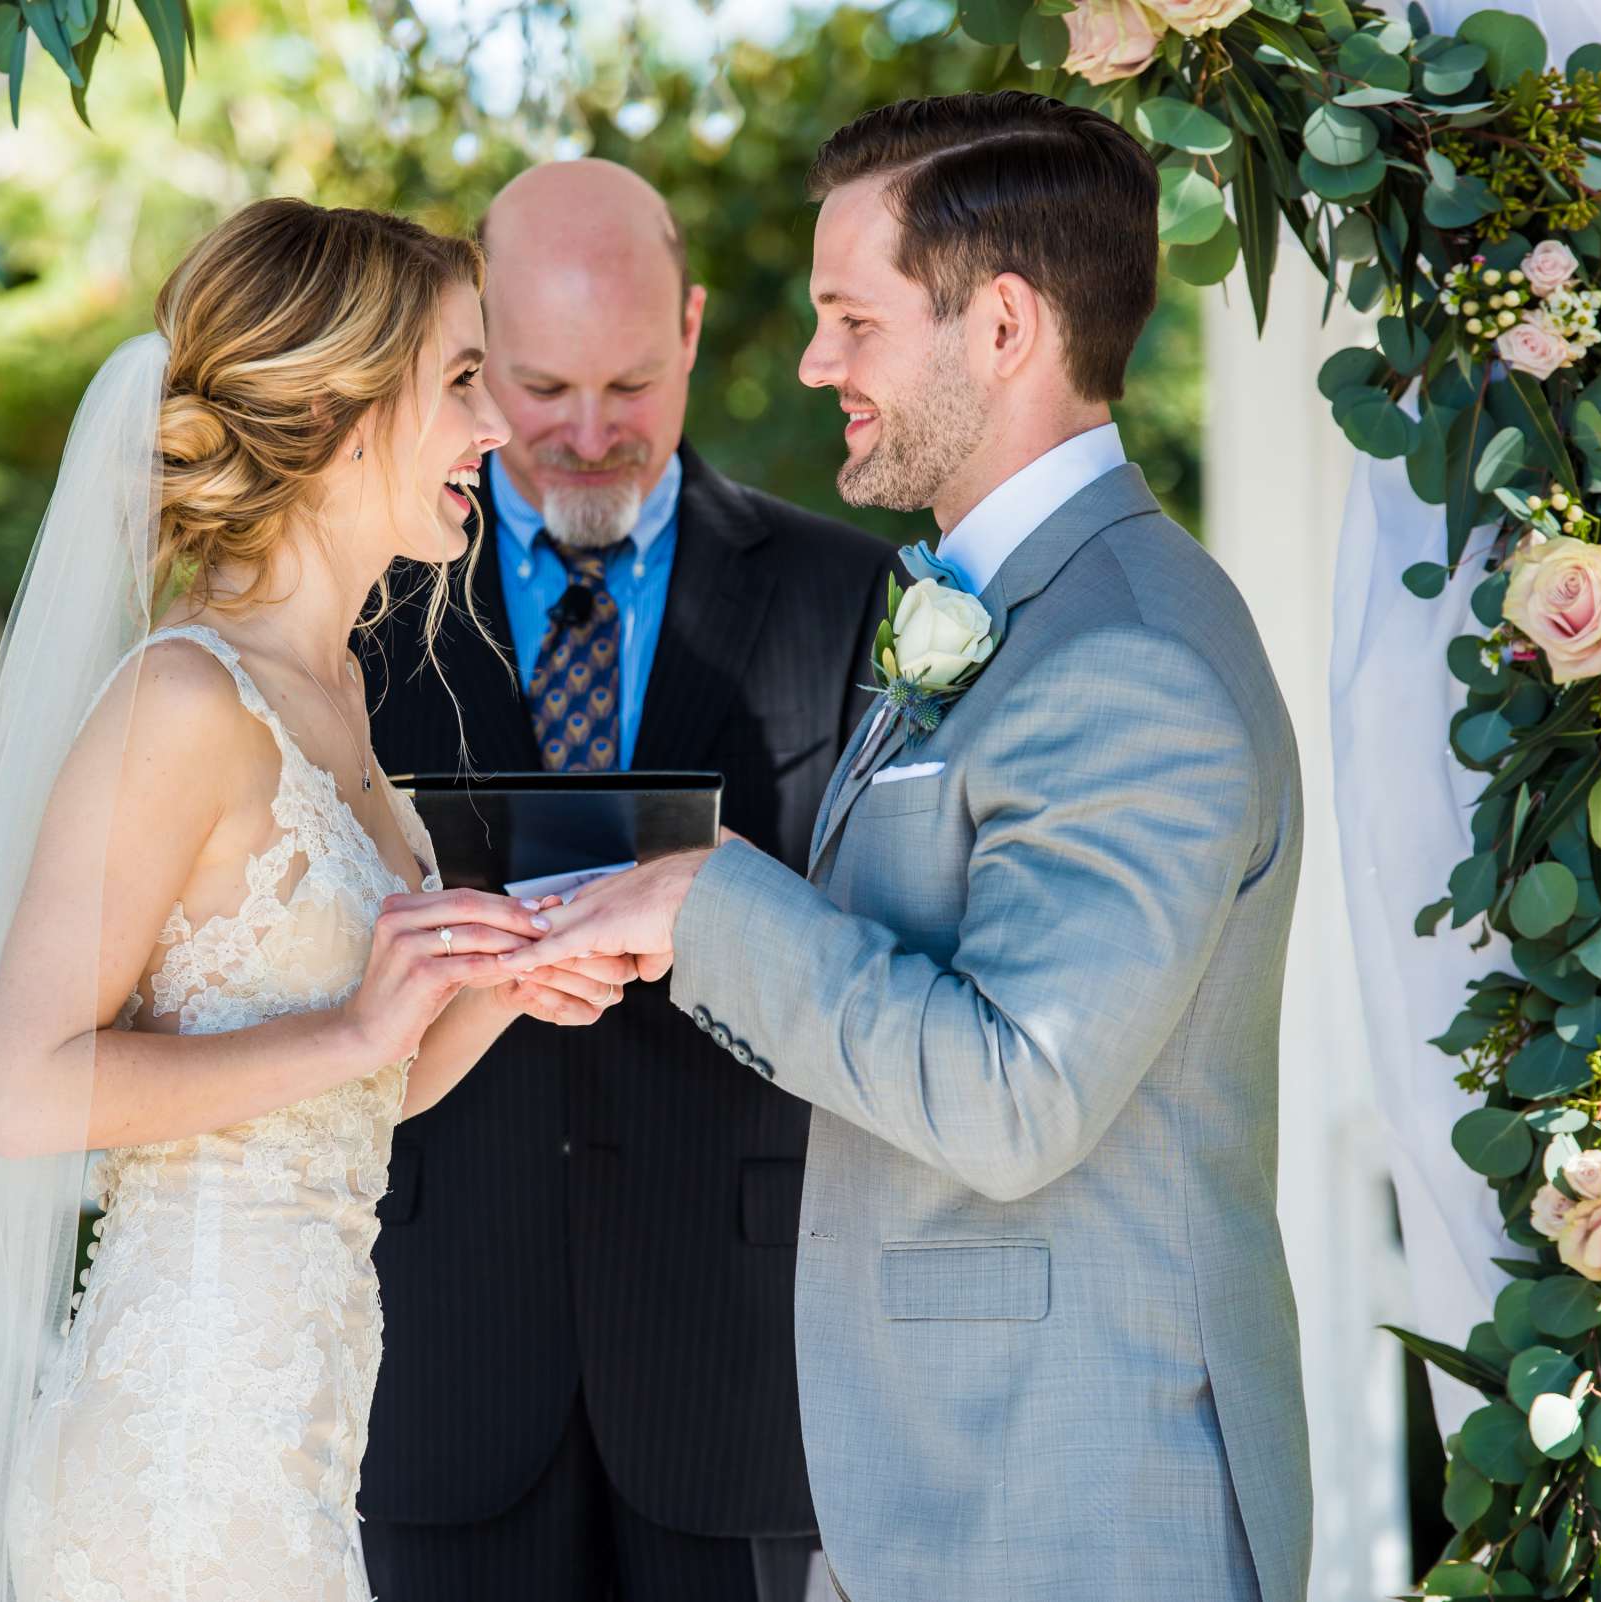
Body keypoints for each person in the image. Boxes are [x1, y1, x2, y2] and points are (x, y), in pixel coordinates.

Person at [501, 94, 1314, 1601]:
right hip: (947, 1484)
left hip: (1073, 1497)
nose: (817, 364)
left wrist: (706, 903)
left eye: (851, 320)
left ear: (1001, 327)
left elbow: (1019, 1094)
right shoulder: (1016, 606)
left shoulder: (1130, 658)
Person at [0, 199, 640, 1602]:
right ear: (342, 411)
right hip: (178, 1461)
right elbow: (24, 1088)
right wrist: (358, 1032)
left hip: (296, 1442)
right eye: (458, 379)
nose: (496, 424)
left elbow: (353, 1090)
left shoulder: (352, 696)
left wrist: (504, 981)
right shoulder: (183, 700)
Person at [357, 160, 896, 1602]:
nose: (590, 436)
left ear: (697, 331)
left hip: (738, 1352)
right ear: (471, 358)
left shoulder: (850, 595)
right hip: (436, 1346)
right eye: (539, 388)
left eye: (632, 384)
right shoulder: (361, 601)